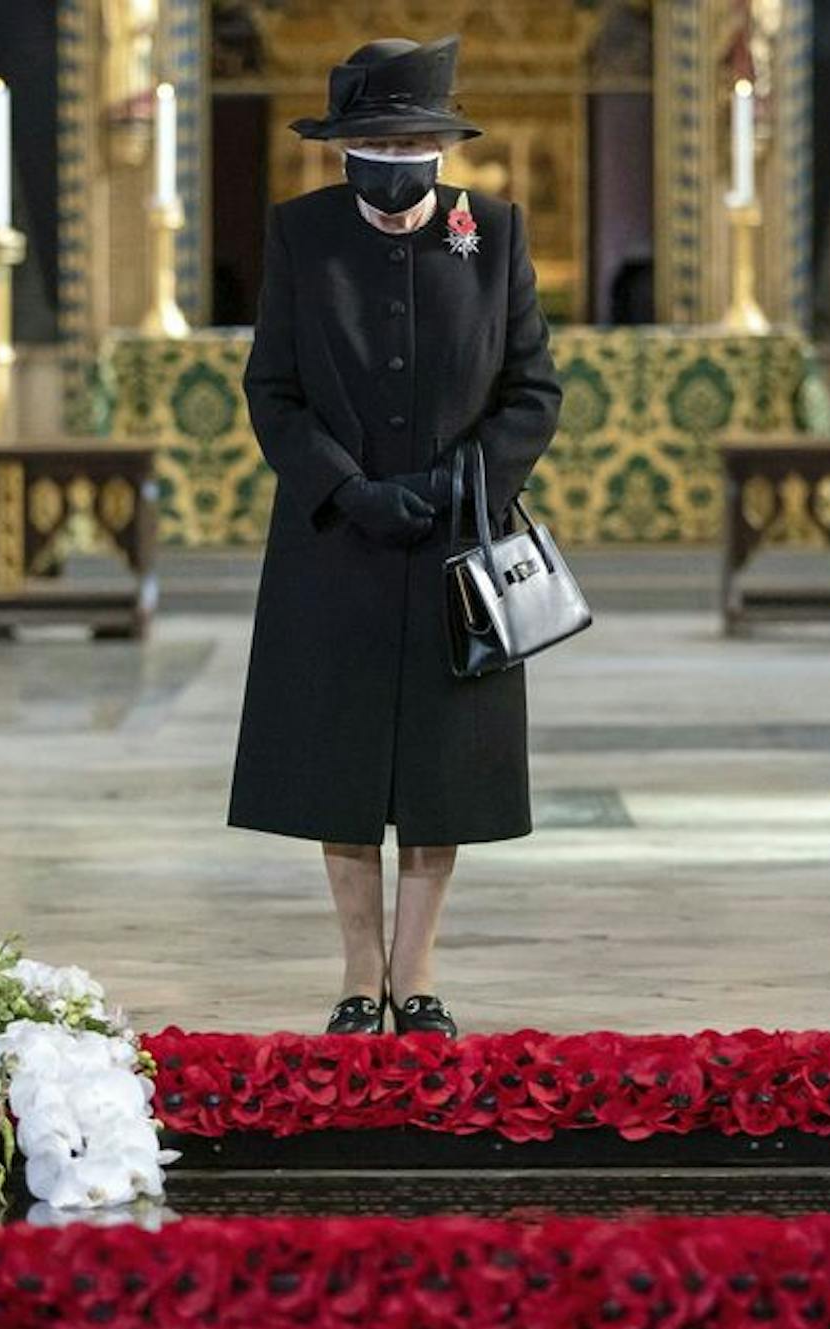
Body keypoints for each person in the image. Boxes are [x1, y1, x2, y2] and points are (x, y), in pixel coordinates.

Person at [227, 34, 563, 1038]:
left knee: (440, 776)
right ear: (344, 150)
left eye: (414, 138)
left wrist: (463, 480)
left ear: (441, 146)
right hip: (338, 546)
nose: (395, 155)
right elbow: (274, 390)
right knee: (338, 770)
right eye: (376, 139)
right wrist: (349, 488)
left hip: (458, 546)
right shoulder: (303, 235)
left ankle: (414, 980)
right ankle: (355, 977)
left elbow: (533, 390)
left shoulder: (492, 232)